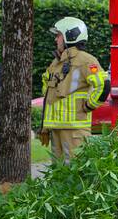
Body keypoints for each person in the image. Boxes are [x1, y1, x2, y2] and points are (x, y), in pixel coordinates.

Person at [40, 17, 110, 163]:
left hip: (75, 128)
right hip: (57, 126)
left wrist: (88, 105)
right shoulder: (57, 62)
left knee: (75, 171)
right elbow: (47, 90)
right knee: (58, 172)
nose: (56, 39)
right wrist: (45, 127)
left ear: (69, 35)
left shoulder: (86, 60)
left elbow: (103, 85)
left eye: (58, 35)